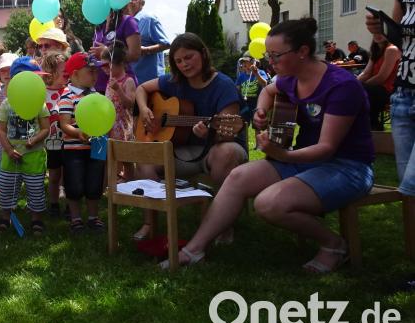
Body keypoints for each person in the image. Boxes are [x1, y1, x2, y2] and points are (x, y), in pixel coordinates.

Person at [169, 18, 374, 272]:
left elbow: (327, 148)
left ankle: (333, 244)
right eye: (268, 55)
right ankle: (194, 249)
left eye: (276, 55)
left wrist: (280, 153)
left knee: (267, 204)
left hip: (346, 167)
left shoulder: (342, 86)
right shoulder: (290, 78)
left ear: (302, 52)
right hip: (302, 160)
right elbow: (267, 91)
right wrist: (262, 111)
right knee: (237, 177)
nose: (270, 62)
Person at [133, 33, 247, 240]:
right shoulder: (174, 81)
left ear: (203, 54)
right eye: (178, 61)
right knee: (145, 160)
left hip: (218, 148)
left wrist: (211, 134)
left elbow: (228, 132)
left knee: (227, 153)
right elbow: (142, 88)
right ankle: (151, 222)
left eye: (189, 57)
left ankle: (223, 223)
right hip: (184, 150)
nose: (184, 64)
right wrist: (143, 109)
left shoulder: (223, 85)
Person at [366, 0, 415, 289]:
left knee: (412, 184)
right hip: (404, 97)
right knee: (408, 190)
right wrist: (380, 30)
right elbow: (396, 37)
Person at [0, 57, 50, 235]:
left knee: (35, 189)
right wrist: (9, 150)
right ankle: (6, 216)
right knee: (7, 187)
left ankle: (37, 219)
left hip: (33, 155)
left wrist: (34, 140)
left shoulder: (39, 103)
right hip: (10, 156)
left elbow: (45, 128)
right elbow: (2, 131)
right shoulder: (6, 103)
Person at [59, 52, 107, 233]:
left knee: (94, 183)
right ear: (75, 74)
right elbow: (64, 124)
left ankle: (94, 217)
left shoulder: (98, 96)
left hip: (96, 146)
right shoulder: (67, 96)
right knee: (74, 184)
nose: (96, 76)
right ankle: (76, 217)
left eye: (96, 72)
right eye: (91, 72)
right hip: (74, 149)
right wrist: (77, 132)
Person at [102, 45, 137, 180]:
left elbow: (130, 104)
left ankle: (128, 181)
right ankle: (113, 180)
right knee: (111, 154)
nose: (104, 69)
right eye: (103, 66)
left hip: (123, 125)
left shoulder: (128, 81)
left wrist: (118, 89)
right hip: (110, 124)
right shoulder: (110, 81)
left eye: (107, 65)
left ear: (121, 63)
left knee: (126, 157)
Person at [41, 52, 69, 218]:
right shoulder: (41, 93)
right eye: (63, 71)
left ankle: (67, 205)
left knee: (68, 176)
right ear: (50, 74)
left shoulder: (69, 91)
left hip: (69, 140)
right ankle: (53, 203)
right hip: (52, 142)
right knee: (54, 175)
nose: (68, 73)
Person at [357, 33, 400, 130]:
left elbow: (382, 77)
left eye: (381, 31)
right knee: (349, 89)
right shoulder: (375, 51)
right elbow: (366, 73)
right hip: (376, 89)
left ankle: (373, 126)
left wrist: (359, 87)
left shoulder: (391, 49)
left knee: (364, 91)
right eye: (375, 31)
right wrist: (352, 84)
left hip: (389, 90)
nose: (378, 34)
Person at [131, 0, 171, 83]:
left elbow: (166, 44)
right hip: (131, 80)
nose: (130, 1)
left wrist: (145, 50)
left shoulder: (149, 19)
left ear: (142, 3)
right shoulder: (126, 22)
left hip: (150, 80)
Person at [235, 55, 269, 122]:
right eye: (242, 62)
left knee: (257, 125)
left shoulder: (260, 72)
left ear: (253, 63)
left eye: (246, 62)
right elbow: (237, 89)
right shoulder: (241, 75)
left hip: (257, 103)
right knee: (243, 124)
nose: (243, 64)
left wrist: (256, 73)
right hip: (245, 104)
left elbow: (264, 84)